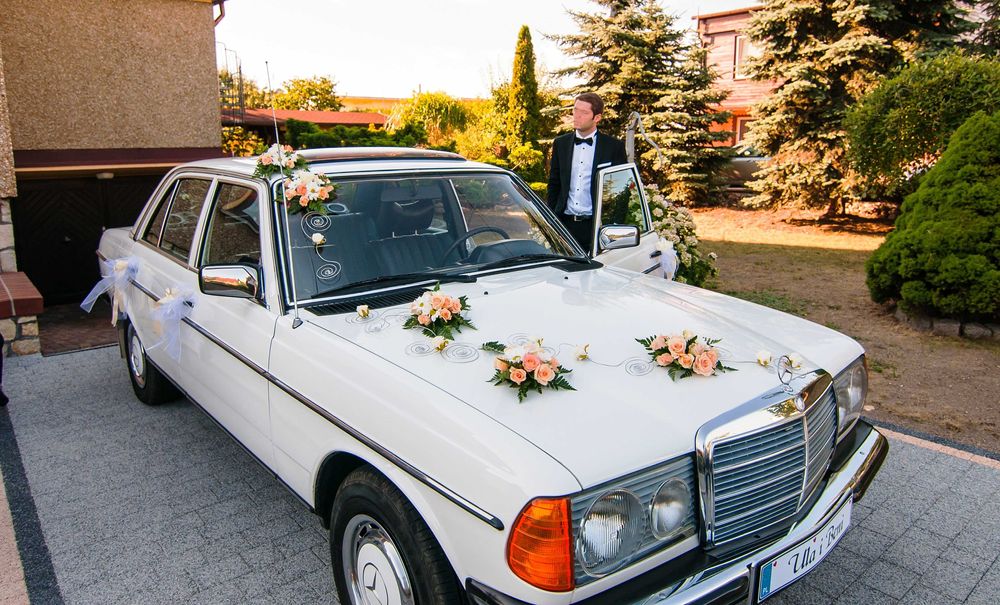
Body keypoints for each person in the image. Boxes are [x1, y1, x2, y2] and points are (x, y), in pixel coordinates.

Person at [546, 92, 628, 251]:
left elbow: (621, 191)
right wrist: (552, 217)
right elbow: (554, 183)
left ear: (597, 118)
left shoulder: (613, 147)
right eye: (575, 110)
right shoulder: (561, 143)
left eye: (584, 112)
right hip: (565, 224)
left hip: (597, 225)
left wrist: (614, 226)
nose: (576, 116)